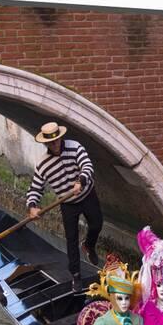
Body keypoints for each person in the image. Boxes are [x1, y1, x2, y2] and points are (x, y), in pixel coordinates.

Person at [26, 121, 103, 292]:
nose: (55, 145)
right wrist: (32, 206)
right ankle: (75, 275)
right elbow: (35, 188)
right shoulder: (43, 165)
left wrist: (80, 181)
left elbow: (87, 166)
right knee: (71, 240)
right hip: (67, 203)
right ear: (45, 143)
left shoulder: (75, 147)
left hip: (87, 194)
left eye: (57, 140)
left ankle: (89, 245)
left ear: (61, 137)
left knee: (97, 224)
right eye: (51, 142)